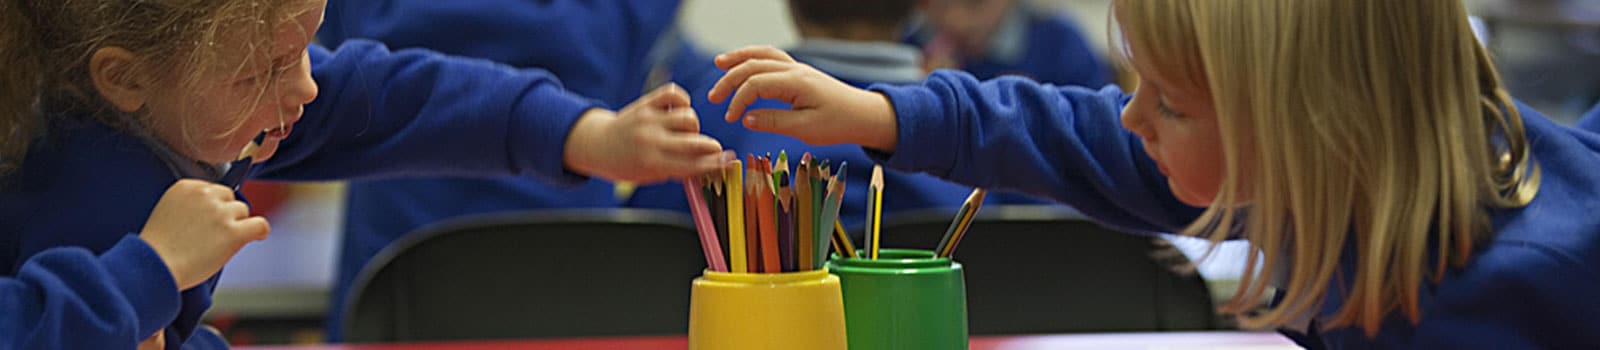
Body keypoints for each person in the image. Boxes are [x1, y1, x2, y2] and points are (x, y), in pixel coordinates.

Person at [705, 0, 1600, 348]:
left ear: (1302, 127)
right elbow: (1089, 137)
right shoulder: (1356, 175)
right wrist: (888, 114)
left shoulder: (1507, 300)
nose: (1131, 116)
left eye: (1167, 103)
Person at [0, 0, 724, 347]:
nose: (307, 89)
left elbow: (393, 97)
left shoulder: (214, 105)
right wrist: (150, 272)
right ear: (123, 81)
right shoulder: (73, 193)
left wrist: (582, 133)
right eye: (267, 69)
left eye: (308, 48)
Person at [314, 0, 699, 340]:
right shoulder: (609, 21)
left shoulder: (380, 24)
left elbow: (317, 41)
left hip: (396, 304)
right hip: (578, 293)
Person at [903, 0, 1110, 87]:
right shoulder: (911, 45)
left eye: (975, 2)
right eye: (943, 5)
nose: (958, 20)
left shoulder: (1061, 47)